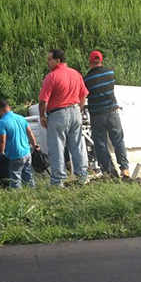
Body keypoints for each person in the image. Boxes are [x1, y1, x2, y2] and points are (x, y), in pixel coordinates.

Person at [38, 49, 90, 187]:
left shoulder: (52, 76)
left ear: (58, 60)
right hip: (75, 110)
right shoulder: (76, 74)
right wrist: (80, 108)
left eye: (50, 59)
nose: (47, 62)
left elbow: (43, 100)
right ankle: (83, 176)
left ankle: (58, 180)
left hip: (57, 113)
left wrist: (42, 116)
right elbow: (84, 94)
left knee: (57, 146)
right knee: (78, 145)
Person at [83, 50, 130, 179]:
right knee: (118, 140)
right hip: (112, 112)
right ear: (101, 60)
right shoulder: (110, 73)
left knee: (100, 143)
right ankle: (124, 169)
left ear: (90, 61)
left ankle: (109, 172)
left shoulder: (87, 78)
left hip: (97, 115)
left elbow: (85, 95)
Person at [0, 99, 39, 188]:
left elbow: (2, 140)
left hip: (15, 155)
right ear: (9, 107)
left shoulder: (2, 123)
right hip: (27, 152)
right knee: (28, 175)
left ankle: (17, 197)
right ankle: (33, 193)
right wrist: (35, 145)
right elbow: (30, 133)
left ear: (0, 110)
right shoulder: (21, 118)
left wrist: (0, 152)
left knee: (15, 178)